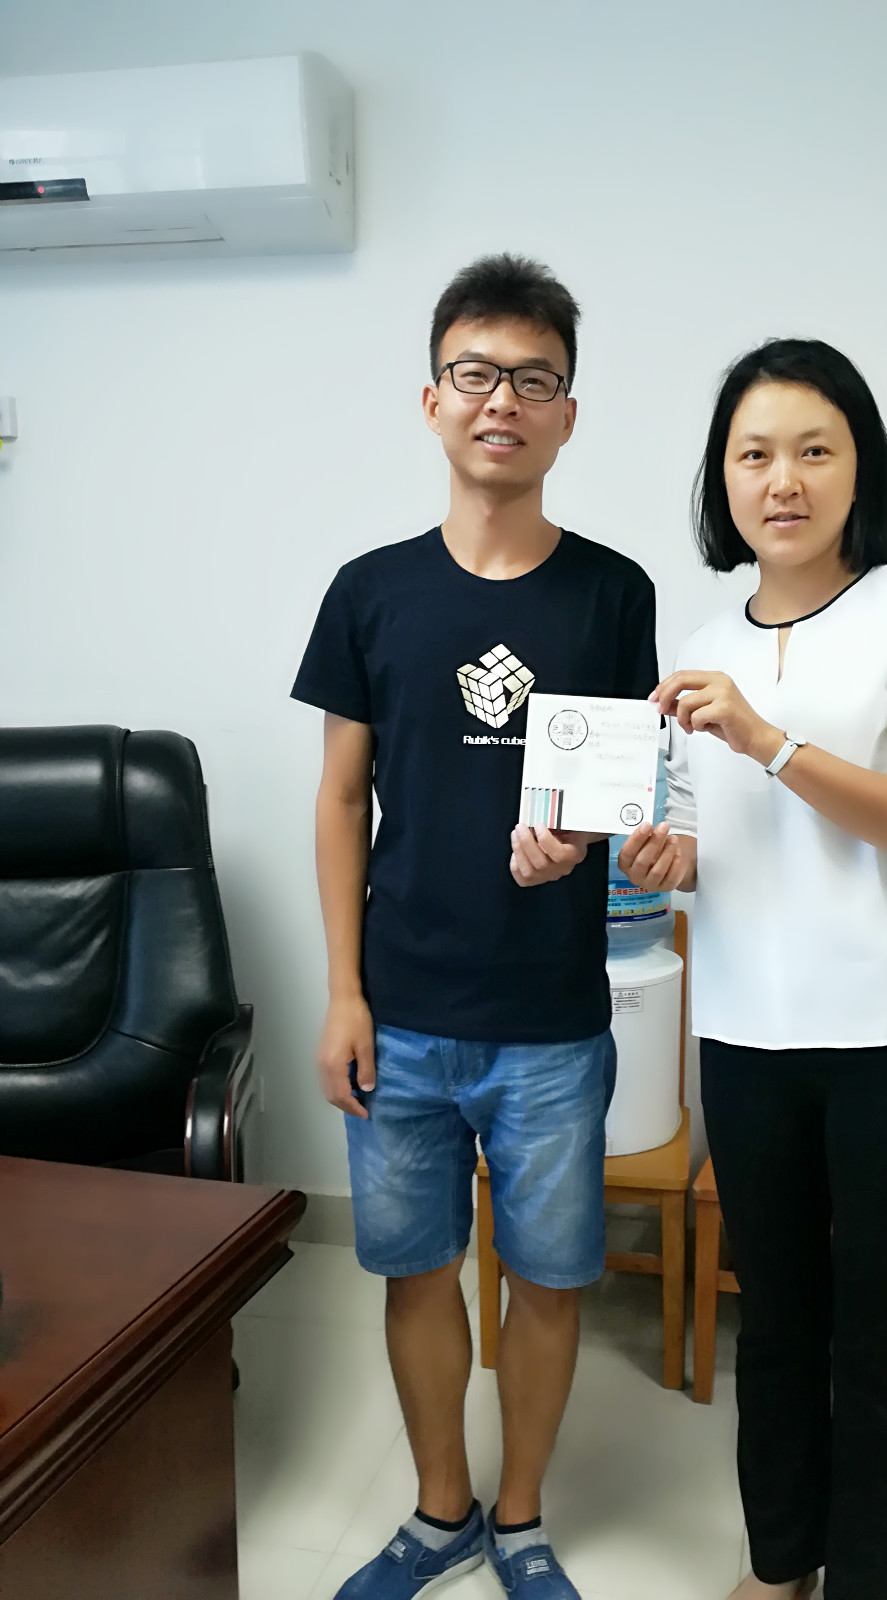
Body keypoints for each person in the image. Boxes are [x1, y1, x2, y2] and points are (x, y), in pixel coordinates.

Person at [618, 339, 887, 1600]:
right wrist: (660, 856)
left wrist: (770, 738)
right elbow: (713, 843)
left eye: (813, 449)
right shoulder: (699, 639)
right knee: (779, 1327)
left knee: (882, 1346)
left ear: (860, 468)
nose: (781, 479)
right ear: (722, 480)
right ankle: (780, 1563)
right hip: (751, 1037)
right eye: (753, 454)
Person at [291, 254, 658, 1600]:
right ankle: (440, 1511)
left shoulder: (612, 594)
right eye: (476, 373)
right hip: (402, 1012)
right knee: (416, 1273)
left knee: (550, 1281)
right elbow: (341, 799)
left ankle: (521, 1517)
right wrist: (344, 992)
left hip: (553, 1019)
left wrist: (587, 847)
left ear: (569, 414)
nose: (503, 399)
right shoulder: (370, 591)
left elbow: (621, 795)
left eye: (534, 378)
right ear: (433, 399)